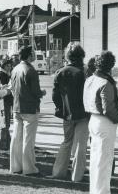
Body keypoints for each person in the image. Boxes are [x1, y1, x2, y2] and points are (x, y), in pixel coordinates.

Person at [83, 51, 118, 194]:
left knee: (95, 159)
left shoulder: (90, 79)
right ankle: (102, 191)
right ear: (111, 65)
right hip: (104, 122)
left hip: (92, 119)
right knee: (105, 160)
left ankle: (94, 189)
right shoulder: (106, 82)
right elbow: (108, 108)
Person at [51, 42, 89, 182]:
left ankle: (58, 172)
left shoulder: (60, 72)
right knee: (81, 145)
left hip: (67, 114)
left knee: (66, 142)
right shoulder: (85, 73)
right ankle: (77, 175)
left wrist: (61, 108)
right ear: (81, 56)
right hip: (83, 114)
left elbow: (55, 96)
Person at [9, 46, 46, 177]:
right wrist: (42, 93)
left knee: (16, 138)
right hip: (29, 108)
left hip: (17, 107)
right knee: (28, 140)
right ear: (29, 55)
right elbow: (36, 91)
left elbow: (12, 88)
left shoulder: (15, 69)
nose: (35, 54)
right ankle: (29, 168)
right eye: (33, 53)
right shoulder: (31, 70)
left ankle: (15, 166)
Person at [0, 55, 13, 150]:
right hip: (4, 101)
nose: (9, 67)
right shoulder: (2, 75)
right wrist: (7, 88)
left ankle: (6, 141)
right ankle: (2, 143)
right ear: (3, 65)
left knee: (5, 123)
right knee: (4, 123)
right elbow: (1, 88)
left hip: (6, 101)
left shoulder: (4, 74)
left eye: (10, 65)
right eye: (7, 65)